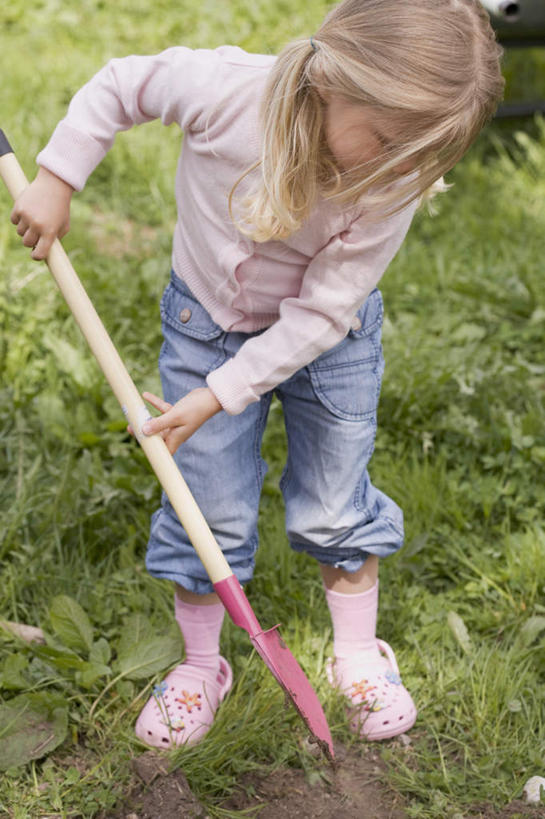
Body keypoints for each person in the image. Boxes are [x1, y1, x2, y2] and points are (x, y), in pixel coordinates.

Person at [11, 0, 503, 748]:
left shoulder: (390, 178)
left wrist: (222, 395)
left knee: (334, 501)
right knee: (203, 501)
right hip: (203, 326)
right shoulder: (224, 90)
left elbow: (321, 313)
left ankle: (355, 654)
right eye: (387, 140)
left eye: (419, 155)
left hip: (327, 341)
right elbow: (119, 85)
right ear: (334, 79)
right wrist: (56, 177)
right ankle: (201, 665)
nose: (398, 165)